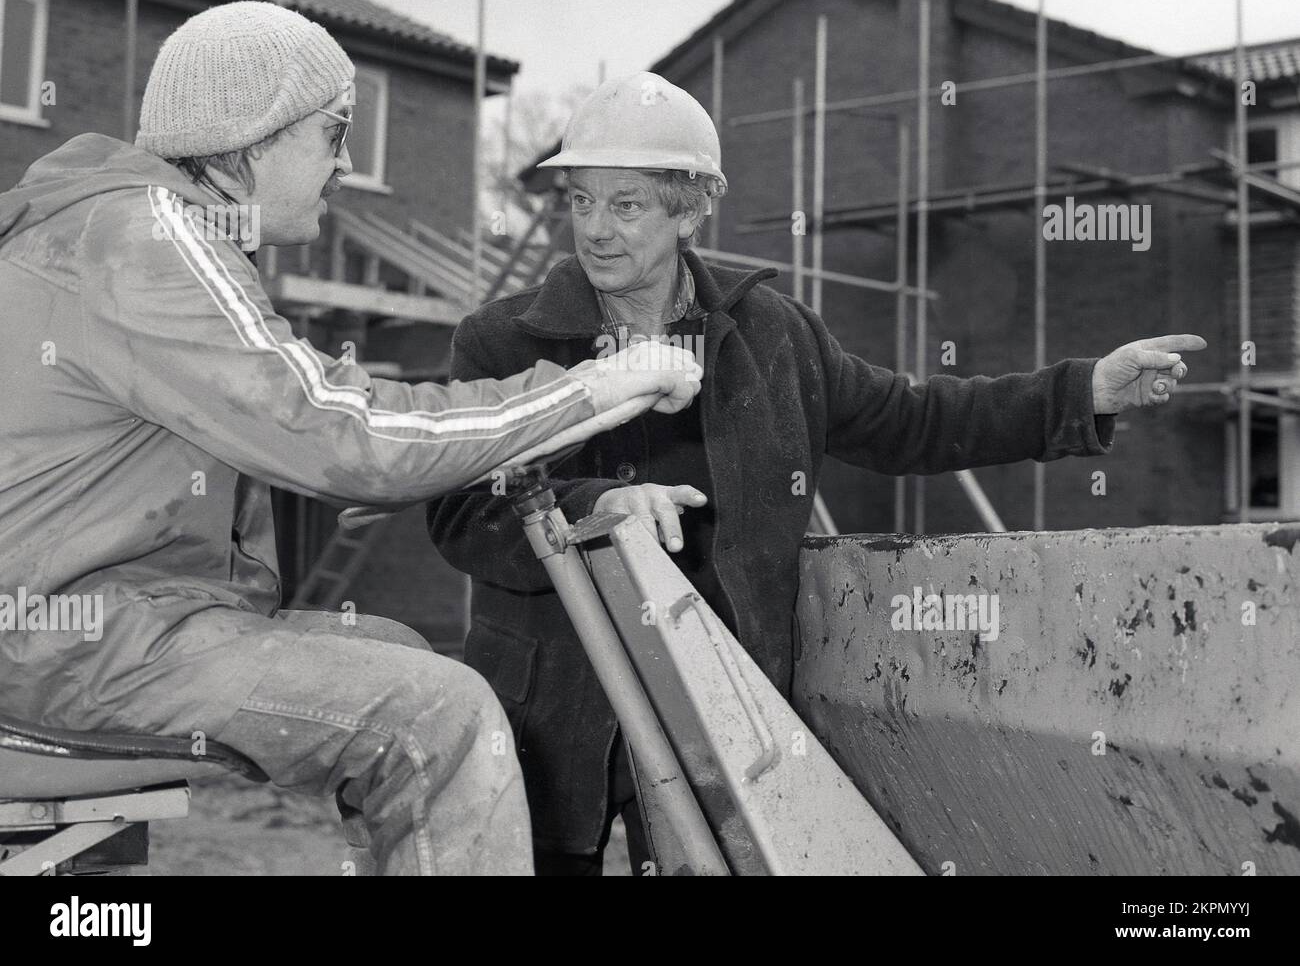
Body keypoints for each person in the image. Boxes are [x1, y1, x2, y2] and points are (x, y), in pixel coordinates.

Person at [426, 70, 1205, 875]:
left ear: (692, 209)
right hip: (557, 716)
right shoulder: (503, 343)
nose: (595, 230)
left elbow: (913, 421)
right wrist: (599, 506)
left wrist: (1080, 391)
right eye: (581, 201)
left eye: (625, 205)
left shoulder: (773, 336)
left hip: (727, 709)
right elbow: (460, 511)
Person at [0, 6, 701, 876]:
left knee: (395, 654)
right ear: (250, 136)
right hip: (64, 650)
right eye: (332, 134)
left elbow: (314, 428)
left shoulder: (115, 227)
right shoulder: (152, 239)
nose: (342, 164)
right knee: (442, 719)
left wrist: (397, 461)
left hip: (81, 625)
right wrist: (591, 387)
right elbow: (341, 433)